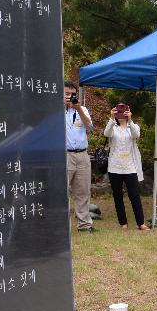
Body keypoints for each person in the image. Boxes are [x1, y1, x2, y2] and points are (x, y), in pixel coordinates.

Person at [104, 105, 148, 231]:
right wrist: (112, 118)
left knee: (134, 195)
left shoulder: (132, 127)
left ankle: (141, 223)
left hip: (130, 166)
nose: (121, 114)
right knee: (117, 196)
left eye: (124, 111)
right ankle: (123, 222)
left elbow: (136, 135)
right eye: (119, 111)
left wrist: (130, 120)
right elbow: (106, 133)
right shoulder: (113, 127)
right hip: (115, 166)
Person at [64, 81, 95, 233]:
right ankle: (62, 226)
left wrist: (78, 109)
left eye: (72, 94)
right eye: (67, 94)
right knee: (61, 191)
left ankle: (84, 225)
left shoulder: (82, 109)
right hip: (65, 155)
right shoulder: (56, 111)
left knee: (83, 191)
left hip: (82, 154)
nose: (70, 97)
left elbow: (90, 127)